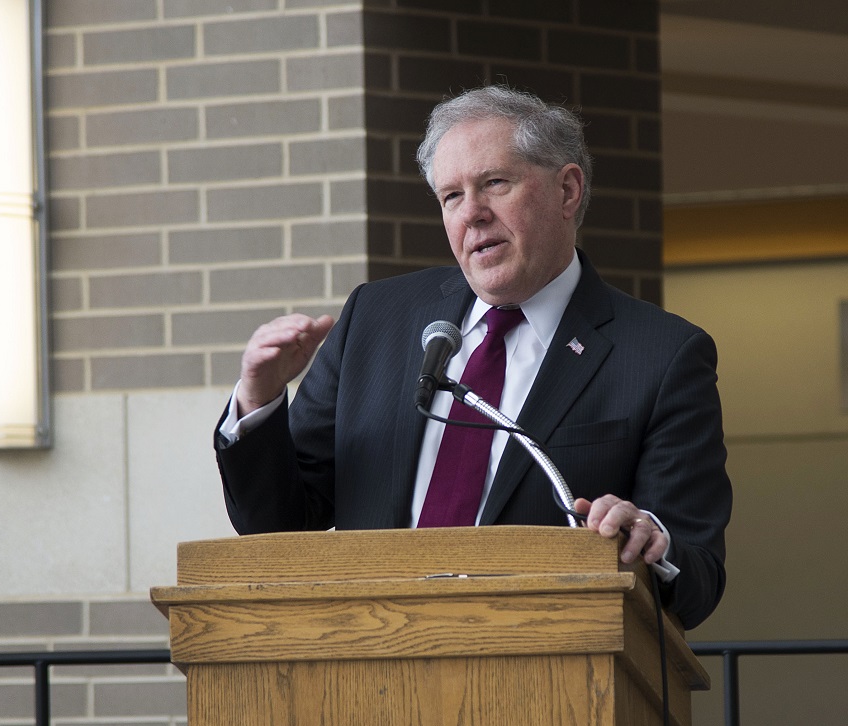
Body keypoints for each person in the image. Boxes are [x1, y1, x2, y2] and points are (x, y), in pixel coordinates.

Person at [214, 85, 731, 630]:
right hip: (367, 660)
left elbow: (697, 578)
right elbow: (277, 524)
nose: (473, 215)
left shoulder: (662, 354)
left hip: (541, 673)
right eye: (451, 197)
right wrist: (259, 400)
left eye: (494, 184)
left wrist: (651, 543)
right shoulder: (376, 319)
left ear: (567, 190)